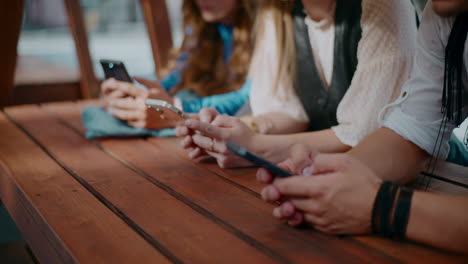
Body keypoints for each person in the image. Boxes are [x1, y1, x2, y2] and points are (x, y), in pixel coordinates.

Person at [257, 0, 468, 254]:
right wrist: (322, 177)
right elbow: (411, 131)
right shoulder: (441, 16)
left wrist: (382, 206)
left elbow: (361, 131)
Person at [176, 0, 418, 168]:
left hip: (429, 176)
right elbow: (288, 113)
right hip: (325, 171)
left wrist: (257, 147)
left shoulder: (385, 6)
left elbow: (362, 135)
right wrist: (231, 130)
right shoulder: (277, 10)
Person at [99, 0, 256, 130]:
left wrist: (177, 108)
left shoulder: (265, 31)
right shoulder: (204, 25)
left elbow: (253, 97)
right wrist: (136, 95)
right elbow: (176, 76)